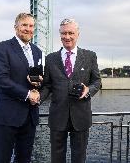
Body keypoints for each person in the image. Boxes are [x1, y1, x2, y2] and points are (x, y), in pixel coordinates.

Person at [40, 18, 101, 163]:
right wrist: (37, 98)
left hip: (81, 116)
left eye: (70, 33)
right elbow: (48, 85)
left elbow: (97, 81)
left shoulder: (90, 56)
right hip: (57, 116)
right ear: (60, 34)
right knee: (56, 158)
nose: (67, 37)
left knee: (79, 158)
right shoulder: (50, 59)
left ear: (77, 34)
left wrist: (88, 90)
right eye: (63, 33)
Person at [0, 12, 42, 163]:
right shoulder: (3, 48)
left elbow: (37, 78)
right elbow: (0, 79)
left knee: (24, 159)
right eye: (24, 25)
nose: (28, 29)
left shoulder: (37, 51)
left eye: (31, 25)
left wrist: (38, 84)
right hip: (7, 116)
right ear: (16, 28)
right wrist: (28, 94)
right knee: (3, 159)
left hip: (30, 116)